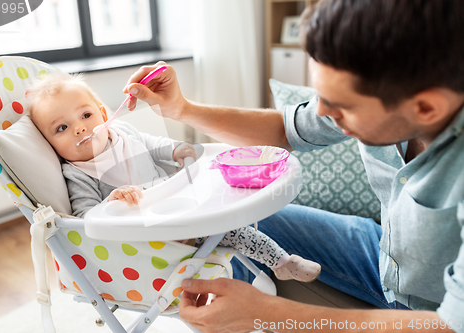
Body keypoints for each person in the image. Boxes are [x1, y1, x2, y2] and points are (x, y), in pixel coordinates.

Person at [122, 0, 464, 332]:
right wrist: (181, 109)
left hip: (434, 309)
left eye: (341, 107)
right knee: (231, 221)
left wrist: (267, 314)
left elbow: (452, 325)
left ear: (426, 108)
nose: (322, 113)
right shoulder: (390, 93)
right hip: (384, 256)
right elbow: (289, 128)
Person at [27, 73, 322, 283]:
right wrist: (111, 200)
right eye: (61, 128)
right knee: (228, 229)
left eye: (86, 115)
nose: (79, 128)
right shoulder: (77, 173)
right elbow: (86, 218)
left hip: (175, 200)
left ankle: (277, 262)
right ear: (49, 144)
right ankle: (282, 261)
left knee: (226, 208)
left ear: (105, 115)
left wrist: (177, 149)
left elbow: (155, 145)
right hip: (151, 231)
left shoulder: (124, 133)